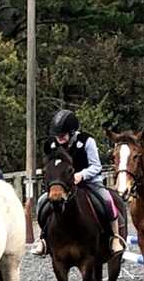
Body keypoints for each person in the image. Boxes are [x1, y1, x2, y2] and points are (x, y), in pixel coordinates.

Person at [31, 109, 125, 256]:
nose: (59, 138)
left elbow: (96, 166)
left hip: (88, 182)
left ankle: (115, 237)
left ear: (72, 131)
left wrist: (82, 175)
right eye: (57, 135)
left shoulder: (87, 141)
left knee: (106, 199)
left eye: (62, 135)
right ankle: (42, 238)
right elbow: (50, 166)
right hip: (63, 184)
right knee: (42, 202)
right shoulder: (52, 145)